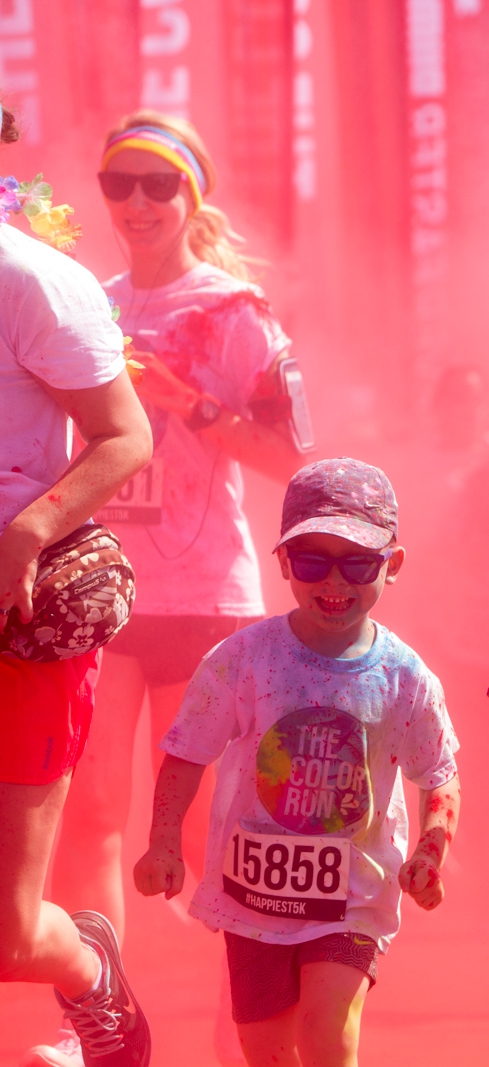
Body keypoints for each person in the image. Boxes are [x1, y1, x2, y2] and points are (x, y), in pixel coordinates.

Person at [53, 111, 309, 947]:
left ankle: (253, 1002)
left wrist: (189, 404)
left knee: (200, 829)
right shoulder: (87, 302)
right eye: (118, 183)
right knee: (90, 816)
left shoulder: (233, 311)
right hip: (103, 592)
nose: (137, 201)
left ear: (190, 194)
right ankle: (94, 1023)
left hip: (203, 596)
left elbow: (290, 455)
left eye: (158, 183)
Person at [131, 459, 459, 1067]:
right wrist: (164, 842)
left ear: (393, 564)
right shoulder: (242, 659)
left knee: (326, 1032)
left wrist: (431, 850)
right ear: (282, 562)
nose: (334, 581)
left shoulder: (404, 677)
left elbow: (437, 772)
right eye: (312, 561)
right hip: (252, 898)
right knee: (267, 1052)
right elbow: (186, 751)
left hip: (353, 896)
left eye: (358, 563)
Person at [2, 98, 156, 1067]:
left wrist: (31, 526)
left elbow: (125, 433)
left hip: (22, 618)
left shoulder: (32, 280)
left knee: (10, 934)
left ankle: (89, 965)